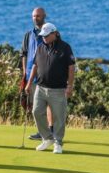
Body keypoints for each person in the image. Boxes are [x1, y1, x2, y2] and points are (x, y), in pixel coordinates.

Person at [26, 23, 75, 154]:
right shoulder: (41, 47)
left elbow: (71, 68)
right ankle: (47, 138)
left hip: (58, 89)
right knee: (36, 112)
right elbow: (35, 66)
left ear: (55, 34)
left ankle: (58, 142)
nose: (44, 38)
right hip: (40, 88)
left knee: (59, 117)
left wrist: (70, 86)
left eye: (47, 36)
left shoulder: (65, 47)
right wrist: (29, 82)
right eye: (43, 36)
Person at [20, 7, 52, 140]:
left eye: (38, 16)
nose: (35, 18)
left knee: (48, 104)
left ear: (44, 16)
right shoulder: (28, 35)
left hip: (45, 75)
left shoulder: (50, 33)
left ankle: (50, 130)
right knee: (36, 106)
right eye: (34, 16)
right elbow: (24, 54)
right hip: (31, 76)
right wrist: (25, 74)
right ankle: (42, 132)